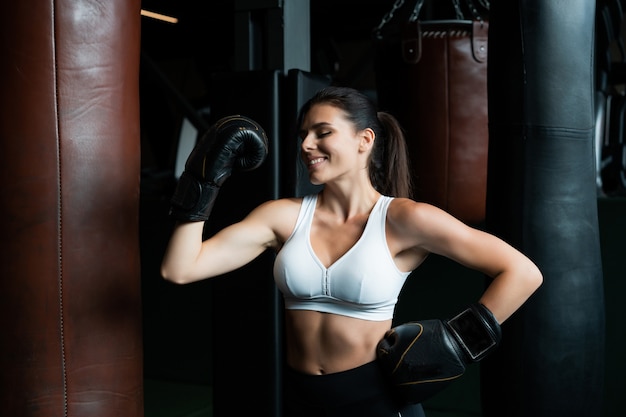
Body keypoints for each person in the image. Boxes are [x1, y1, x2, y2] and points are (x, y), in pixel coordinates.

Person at [160, 87, 543, 417]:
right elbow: (180, 268)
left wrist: (457, 342)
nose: (306, 144)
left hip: (377, 401)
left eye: (322, 132)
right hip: (301, 400)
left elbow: (522, 272)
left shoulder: (404, 219)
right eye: (303, 134)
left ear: (365, 141)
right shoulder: (282, 217)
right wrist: (202, 179)